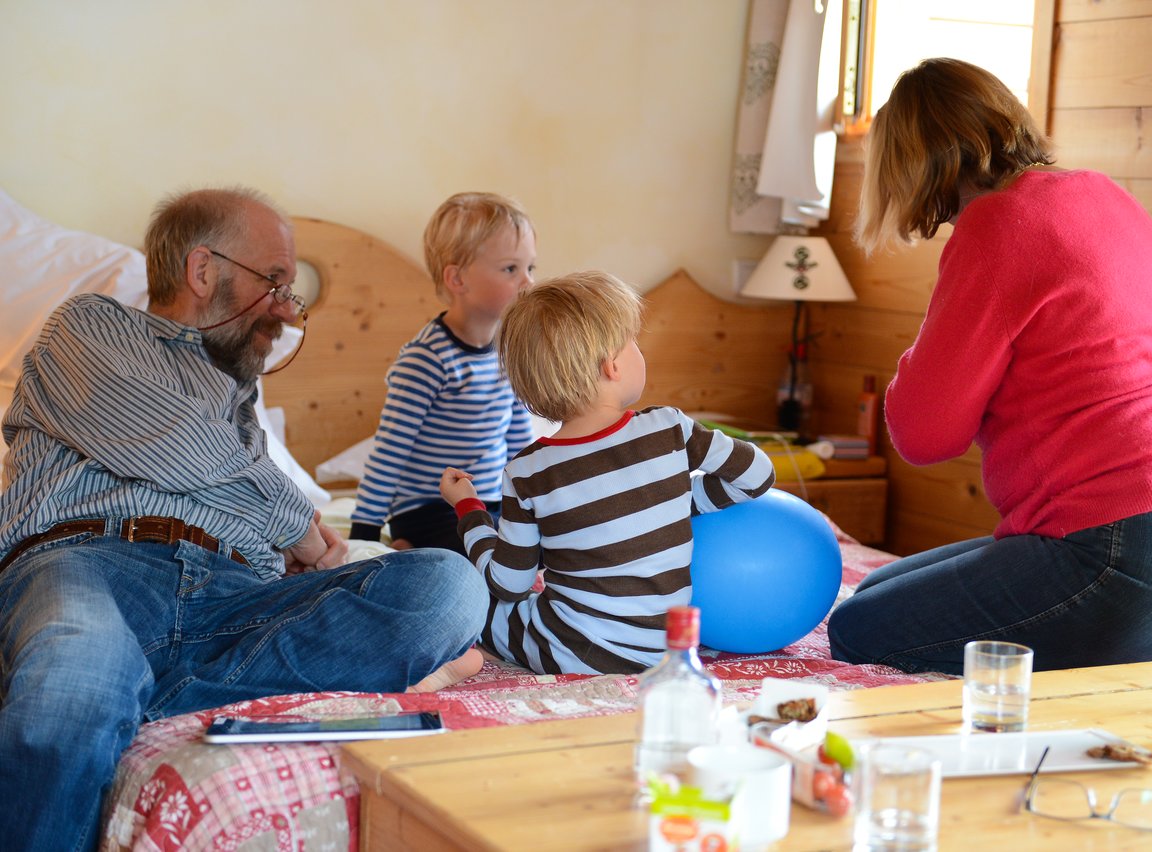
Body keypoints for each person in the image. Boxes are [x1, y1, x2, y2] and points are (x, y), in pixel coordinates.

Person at [0, 187, 487, 851]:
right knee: (74, 683)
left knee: (447, 586)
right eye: (274, 281)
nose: (287, 308)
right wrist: (299, 530)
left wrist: (274, 550)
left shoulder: (241, 404)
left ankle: (143, 697)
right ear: (203, 271)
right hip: (90, 563)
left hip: (231, 602)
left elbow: (232, 480)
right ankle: (117, 690)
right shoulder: (91, 327)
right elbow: (179, 442)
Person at [827, 58, 1152, 676]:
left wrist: (929, 337)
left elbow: (923, 435)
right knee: (873, 591)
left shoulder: (997, 224)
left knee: (857, 629)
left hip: (1115, 552)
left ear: (912, 163)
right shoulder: (1104, 195)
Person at [439, 271, 777, 675]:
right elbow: (757, 476)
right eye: (634, 341)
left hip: (568, 649)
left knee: (466, 596)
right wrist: (673, 501)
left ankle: (463, 658)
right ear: (612, 365)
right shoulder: (669, 429)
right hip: (658, 650)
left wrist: (469, 509)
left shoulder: (528, 472)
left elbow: (509, 581)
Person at [348, 192, 537, 555]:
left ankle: (418, 548)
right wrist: (365, 534)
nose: (527, 282)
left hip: (487, 504)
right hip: (430, 507)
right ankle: (408, 545)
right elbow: (389, 452)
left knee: (547, 545)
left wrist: (534, 498)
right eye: (511, 269)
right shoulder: (427, 359)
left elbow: (517, 441)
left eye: (531, 268)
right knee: (484, 555)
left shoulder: (508, 351)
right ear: (457, 279)